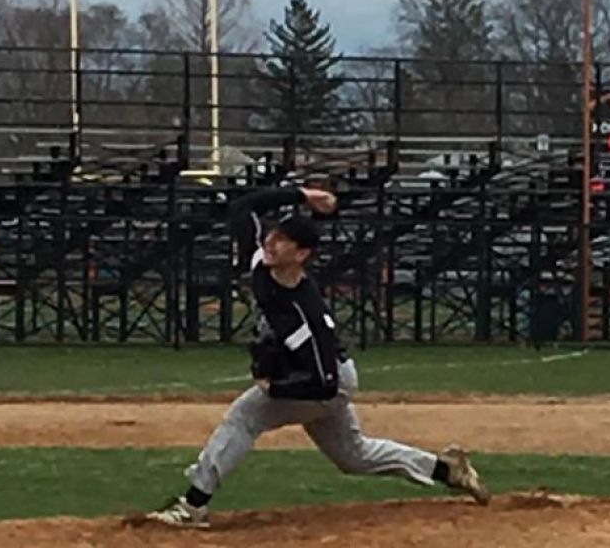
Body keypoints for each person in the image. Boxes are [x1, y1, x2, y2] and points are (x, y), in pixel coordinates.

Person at [147, 185, 490, 528]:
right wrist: (301, 194)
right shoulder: (259, 264)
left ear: (301, 255)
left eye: (283, 240)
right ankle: (447, 470)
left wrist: (276, 388)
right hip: (313, 374)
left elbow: (323, 383)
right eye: (273, 234)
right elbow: (244, 206)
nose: (270, 242)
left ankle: (193, 506)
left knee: (245, 416)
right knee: (353, 456)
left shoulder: (304, 312)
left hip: (327, 381)